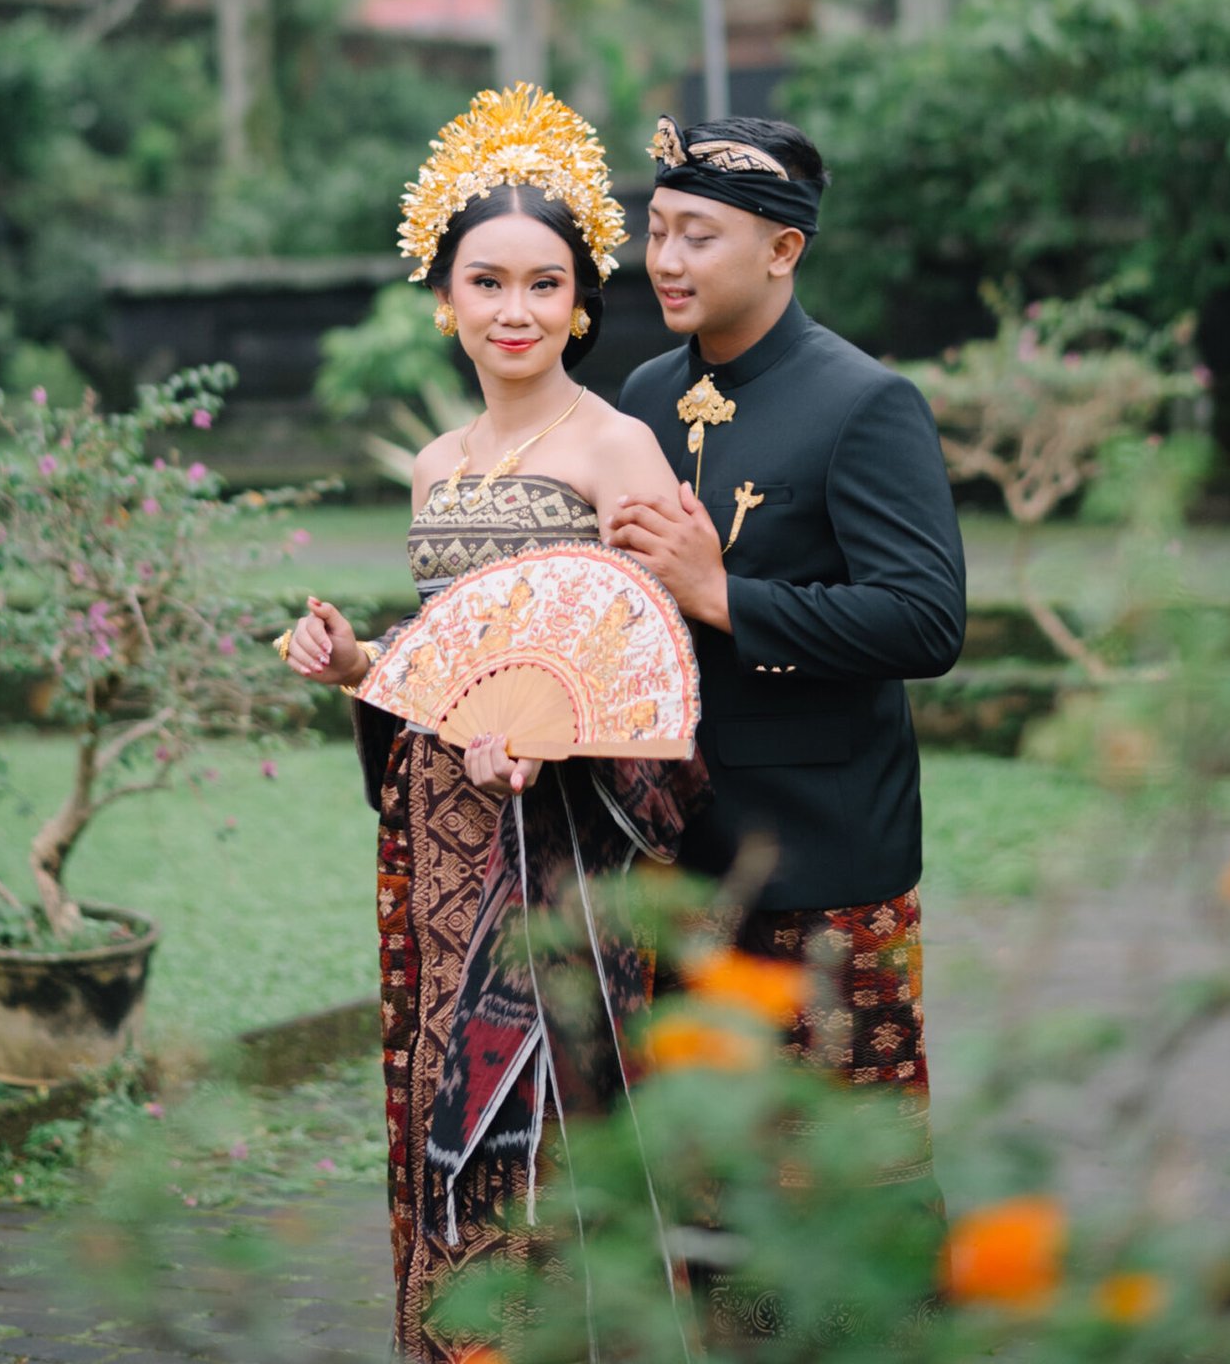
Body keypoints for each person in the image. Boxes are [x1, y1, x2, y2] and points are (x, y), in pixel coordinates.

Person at [281, 85, 706, 1364]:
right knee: (444, 1076)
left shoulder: (618, 448)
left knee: (559, 1094)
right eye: (487, 283)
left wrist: (553, 740)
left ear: (579, 302)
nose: (513, 311)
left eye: (542, 285)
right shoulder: (436, 463)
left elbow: (660, 661)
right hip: (444, 833)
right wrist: (358, 661)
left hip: (567, 845)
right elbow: (443, 653)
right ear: (444, 297)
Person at [611, 112, 966, 1216]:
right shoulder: (640, 398)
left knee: (839, 1190)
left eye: (699, 235)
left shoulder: (863, 403)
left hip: (821, 864)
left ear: (783, 248)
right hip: (672, 863)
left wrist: (722, 596)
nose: (666, 259)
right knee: (701, 1188)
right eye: (656, 229)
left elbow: (925, 623)